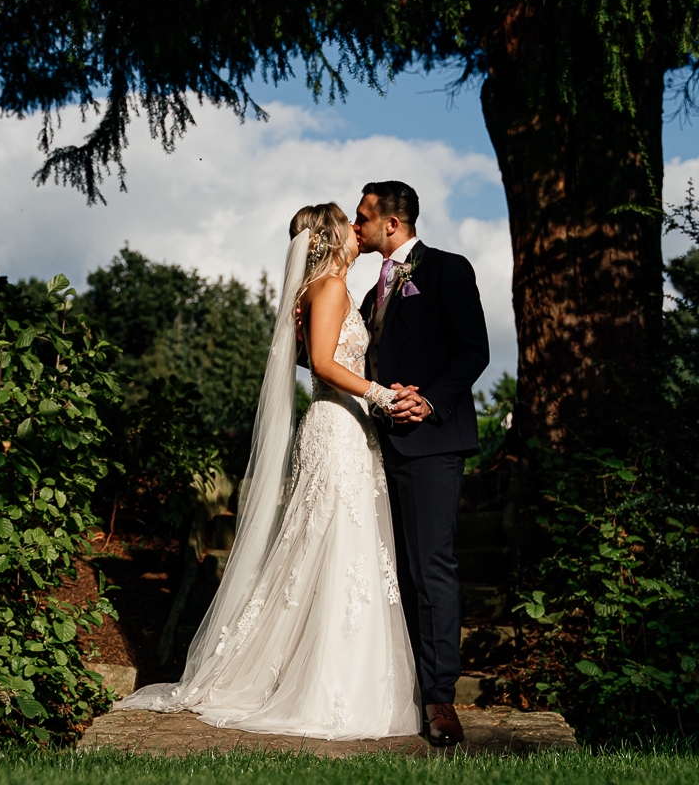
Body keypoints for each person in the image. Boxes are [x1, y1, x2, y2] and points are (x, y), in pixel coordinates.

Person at [116, 203, 418, 741]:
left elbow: (314, 357)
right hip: (337, 428)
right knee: (337, 546)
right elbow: (322, 362)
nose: (358, 229)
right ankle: (327, 685)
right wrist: (379, 394)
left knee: (331, 547)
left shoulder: (321, 289)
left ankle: (331, 676)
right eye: (349, 222)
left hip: (343, 426)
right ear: (332, 237)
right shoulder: (330, 287)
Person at [355, 180, 490, 747]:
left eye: (363, 217)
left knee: (432, 568)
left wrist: (429, 400)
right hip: (377, 446)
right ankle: (400, 688)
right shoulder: (370, 293)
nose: (356, 227)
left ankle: (440, 698)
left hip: (432, 442)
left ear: (392, 223)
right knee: (394, 572)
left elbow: (474, 350)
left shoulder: (447, 269)